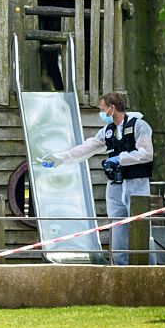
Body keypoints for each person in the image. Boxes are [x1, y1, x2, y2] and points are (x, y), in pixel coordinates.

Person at [40, 92, 154, 265]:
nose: (101, 113)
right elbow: (87, 148)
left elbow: (146, 154)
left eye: (102, 109)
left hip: (136, 184)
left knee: (141, 227)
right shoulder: (107, 131)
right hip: (115, 185)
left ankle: (149, 267)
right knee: (117, 229)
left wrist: (120, 159)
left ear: (112, 108)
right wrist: (60, 158)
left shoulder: (139, 126)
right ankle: (121, 267)